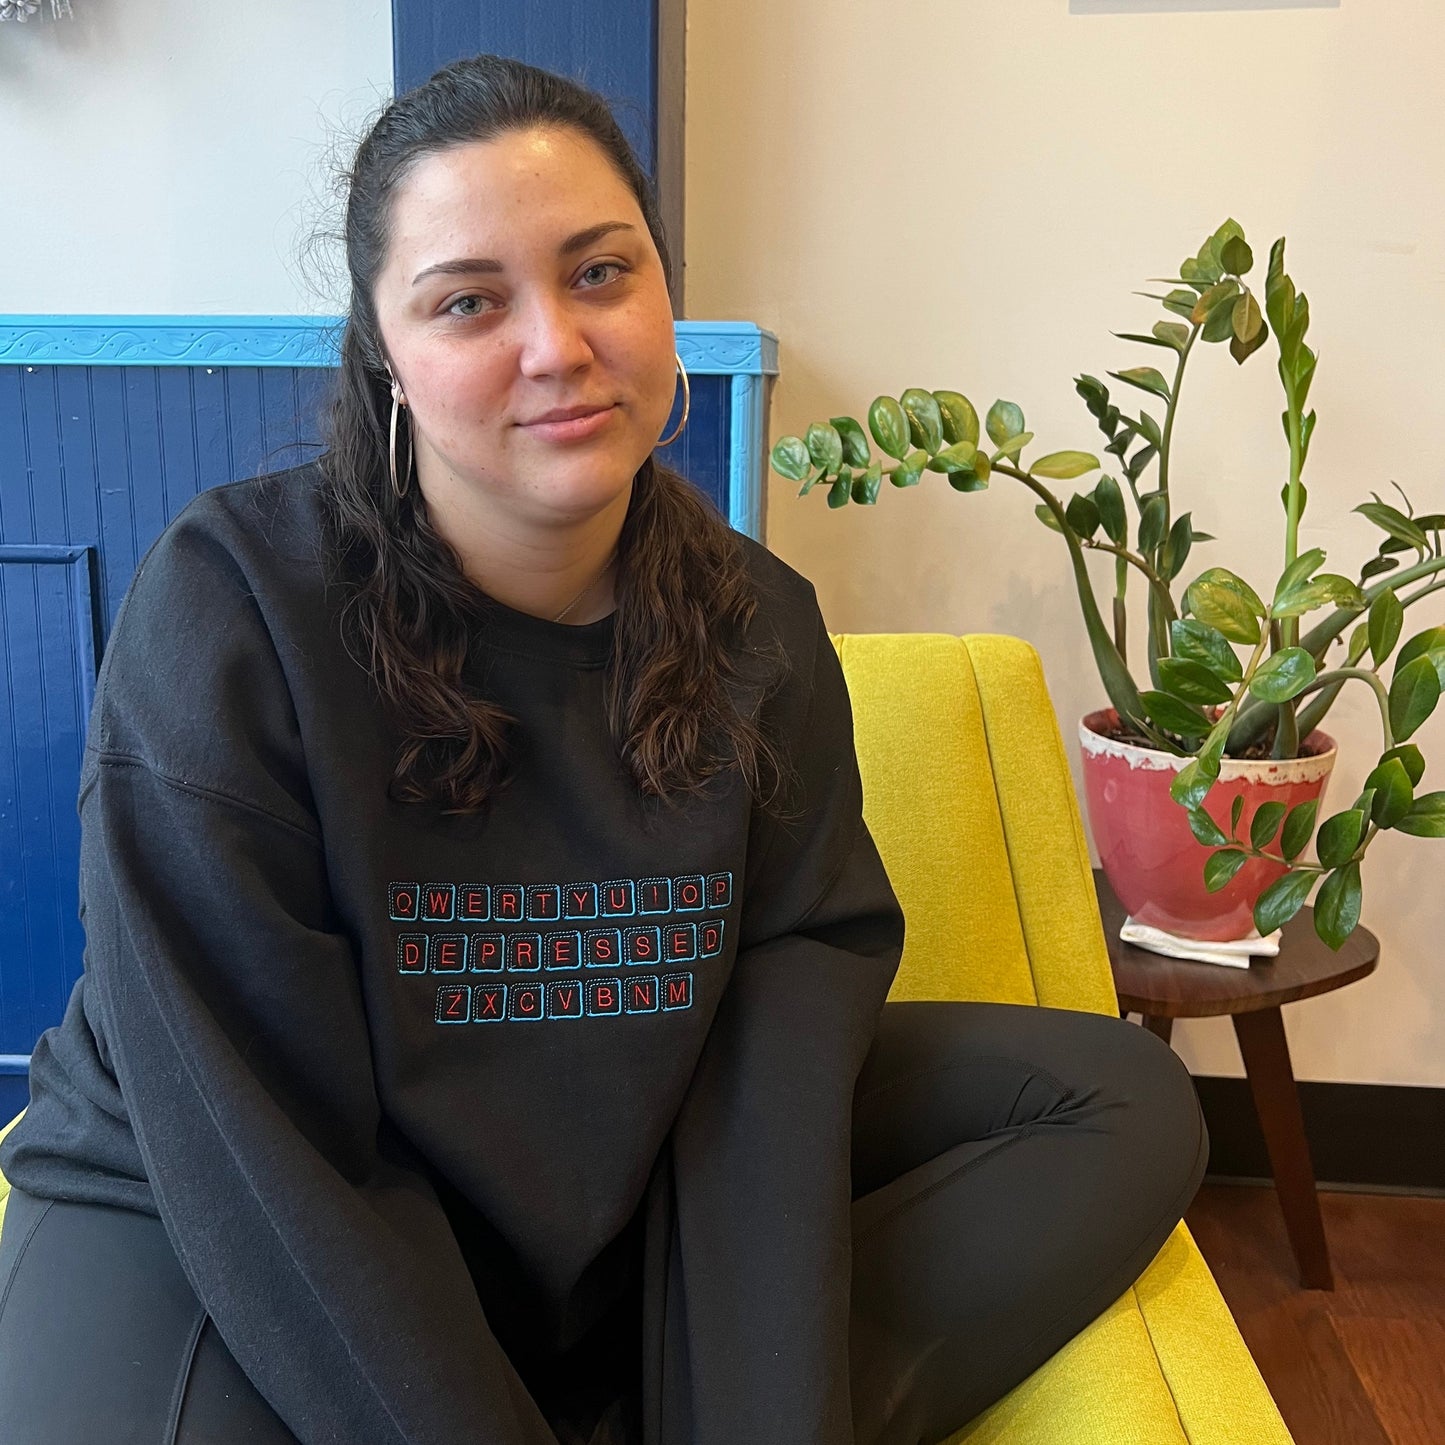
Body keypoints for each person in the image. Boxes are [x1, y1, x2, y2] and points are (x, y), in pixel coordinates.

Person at [0, 52, 1207, 1445]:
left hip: (616, 1148)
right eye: (468, 300)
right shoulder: (231, 602)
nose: (555, 345)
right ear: (384, 352)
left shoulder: (762, 632)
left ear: (662, 294)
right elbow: (245, 1122)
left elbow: (769, 1076)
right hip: (222, 1188)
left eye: (599, 273)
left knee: (1116, 1100)